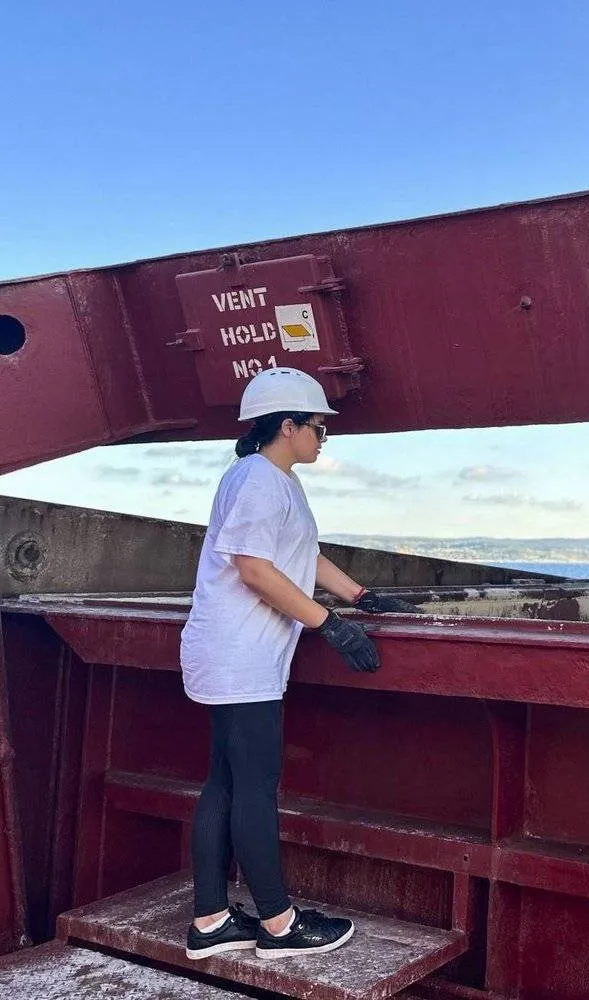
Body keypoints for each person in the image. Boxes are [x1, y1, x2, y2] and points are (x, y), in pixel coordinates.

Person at [179, 367, 424, 961]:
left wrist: (360, 597)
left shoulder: (265, 477)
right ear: (285, 427)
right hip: (241, 657)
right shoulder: (262, 481)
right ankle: (281, 927)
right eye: (318, 428)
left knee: (226, 783)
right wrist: (330, 625)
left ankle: (211, 921)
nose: (323, 438)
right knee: (254, 789)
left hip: (232, 653)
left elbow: (302, 556)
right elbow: (256, 569)